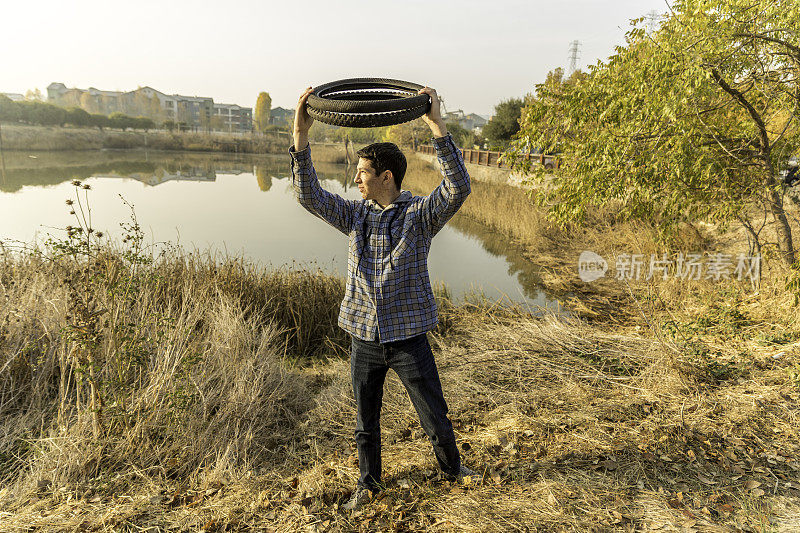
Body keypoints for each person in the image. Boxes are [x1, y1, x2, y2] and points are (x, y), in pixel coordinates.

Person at [289, 86, 481, 511]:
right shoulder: (355, 215)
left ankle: (452, 470)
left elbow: (459, 187)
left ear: (385, 177)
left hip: (409, 339)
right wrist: (300, 135)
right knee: (365, 423)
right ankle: (369, 485)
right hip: (364, 340)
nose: (356, 178)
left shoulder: (419, 216)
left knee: (434, 413)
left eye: (362, 173)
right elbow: (308, 196)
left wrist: (435, 124)